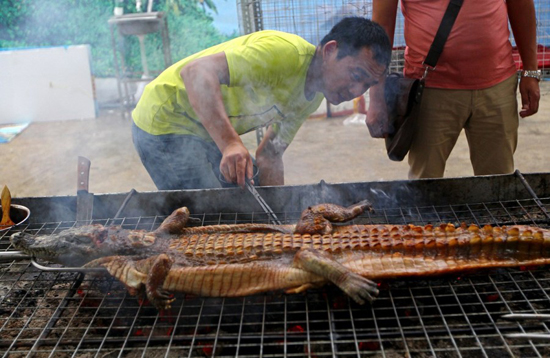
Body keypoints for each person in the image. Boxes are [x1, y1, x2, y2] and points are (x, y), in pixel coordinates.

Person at [132, 16, 391, 190]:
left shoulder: (312, 96)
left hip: (201, 132)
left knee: (248, 195)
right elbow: (195, 73)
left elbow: (270, 154)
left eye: (367, 85)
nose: (356, 91)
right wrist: (231, 143)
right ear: (330, 51)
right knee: (208, 217)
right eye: (356, 75)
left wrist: (279, 217)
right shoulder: (283, 54)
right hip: (165, 121)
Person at [367, 0, 541, 179]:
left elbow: (521, 5)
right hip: (429, 91)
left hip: (497, 85)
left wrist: (531, 71)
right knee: (425, 186)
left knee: (498, 185)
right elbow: (381, 27)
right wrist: (376, 96)